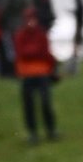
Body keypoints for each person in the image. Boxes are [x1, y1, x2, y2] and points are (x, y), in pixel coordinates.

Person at [13, 7, 59, 143]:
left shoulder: (40, 34)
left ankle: (50, 130)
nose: (31, 22)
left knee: (46, 103)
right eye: (29, 19)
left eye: (33, 18)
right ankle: (33, 133)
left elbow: (45, 52)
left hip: (42, 72)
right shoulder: (21, 35)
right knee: (29, 105)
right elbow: (23, 52)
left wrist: (51, 67)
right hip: (27, 73)